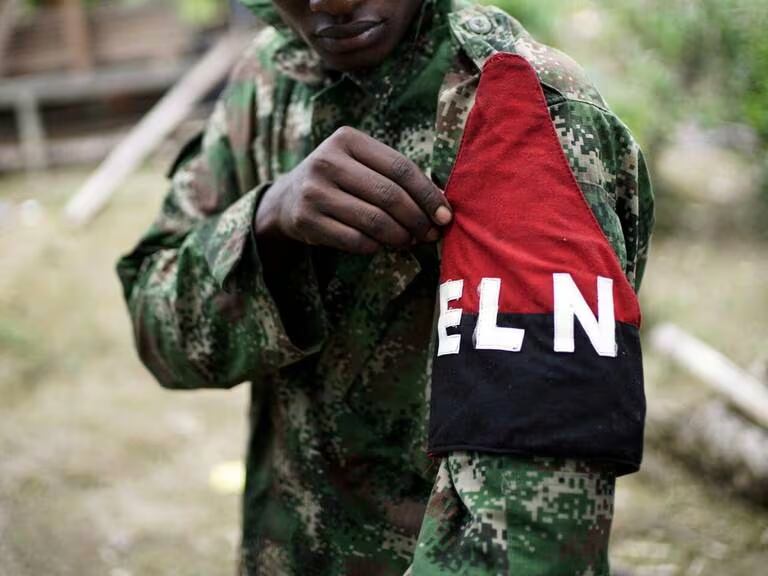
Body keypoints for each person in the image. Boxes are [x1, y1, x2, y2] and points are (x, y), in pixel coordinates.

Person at [116, 0, 654, 574]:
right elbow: (161, 336)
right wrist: (267, 221)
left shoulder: (518, 106)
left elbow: (532, 534)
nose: (335, 2)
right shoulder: (270, 75)